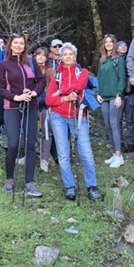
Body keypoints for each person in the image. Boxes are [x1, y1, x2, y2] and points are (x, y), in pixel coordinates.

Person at [45, 43, 102, 201]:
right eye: (65, 54)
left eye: (70, 54)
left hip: (78, 116)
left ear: (75, 57)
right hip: (58, 116)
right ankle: (70, 187)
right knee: (63, 154)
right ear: (61, 57)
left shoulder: (82, 72)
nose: (68, 57)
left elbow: (79, 85)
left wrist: (61, 91)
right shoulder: (57, 76)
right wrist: (65, 98)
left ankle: (92, 186)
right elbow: (49, 99)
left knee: (86, 153)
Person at [0, 34, 46, 197]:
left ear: (25, 46)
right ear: (10, 45)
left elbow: (41, 81)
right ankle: (10, 178)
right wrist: (15, 97)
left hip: (30, 106)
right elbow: (0, 88)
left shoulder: (31, 62)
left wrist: (33, 92)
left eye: (21, 43)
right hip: (12, 107)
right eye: (15, 43)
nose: (18, 46)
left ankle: (29, 182)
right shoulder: (4, 65)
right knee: (13, 144)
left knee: (30, 144)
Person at [96, 34, 126, 168]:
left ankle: (119, 156)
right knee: (108, 125)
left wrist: (119, 95)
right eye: (106, 42)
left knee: (114, 124)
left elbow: (122, 78)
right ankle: (114, 153)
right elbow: (99, 78)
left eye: (111, 42)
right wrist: (97, 93)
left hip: (115, 96)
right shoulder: (101, 60)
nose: (108, 44)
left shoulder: (118, 59)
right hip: (104, 97)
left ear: (114, 44)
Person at [32, 46, 54, 172]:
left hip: (46, 104)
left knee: (46, 131)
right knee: (28, 130)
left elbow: (52, 89)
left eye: (43, 55)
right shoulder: (29, 69)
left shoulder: (51, 72)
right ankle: (28, 155)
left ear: (46, 58)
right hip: (32, 104)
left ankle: (44, 159)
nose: (40, 57)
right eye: (38, 54)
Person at [117, 40, 134, 153]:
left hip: (130, 94)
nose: (123, 47)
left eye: (125, 46)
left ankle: (130, 143)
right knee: (118, 120)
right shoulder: (114, 60)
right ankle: (120, 143)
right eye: (121, 46)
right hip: (119, 95)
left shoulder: (131, 60)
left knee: (130, 120)